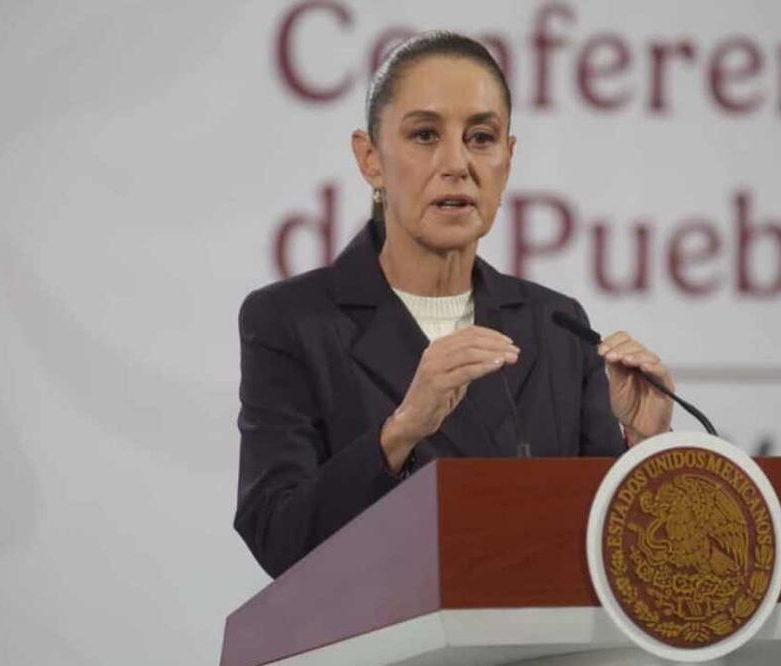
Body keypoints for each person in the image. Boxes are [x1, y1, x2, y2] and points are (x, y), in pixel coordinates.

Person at [235, 31, 676, 578]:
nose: (457, 163)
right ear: (370, 159)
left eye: (481, 138)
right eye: (424, 135)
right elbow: (278, 537)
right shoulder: (292, 321)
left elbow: (620, 558)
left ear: (507, 160)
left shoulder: (556, 325)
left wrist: (647, 447)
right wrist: (401, 431)